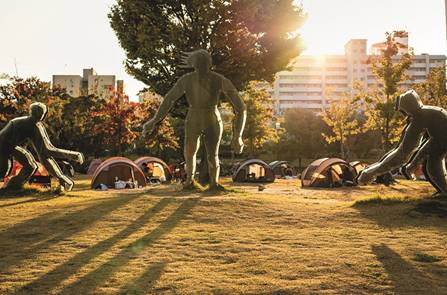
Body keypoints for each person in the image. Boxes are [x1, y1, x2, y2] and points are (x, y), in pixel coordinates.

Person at [143, 49, 246, 191]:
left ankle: (212, 183)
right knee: (192, 152)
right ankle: (191, 181)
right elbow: (169, 99)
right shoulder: (192, 79)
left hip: (209, 117)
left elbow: (241, 108)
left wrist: (238, 135)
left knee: (209, 154)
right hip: (199, 118)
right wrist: (154, 120)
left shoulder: (213, 79)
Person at [357, 90, 447, 196]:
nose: (405, 115)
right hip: (440, 139)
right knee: (429, 155)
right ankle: (442, 189)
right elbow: (423, 147)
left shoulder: (419, 118)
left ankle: (445, 192)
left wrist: (370, 173)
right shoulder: (429, 111)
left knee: (432, 167)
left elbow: (403, 153)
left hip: (441, 140)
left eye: (404, 111)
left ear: (408, 108)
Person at [0, 102, 84, 191]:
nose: (40, 117)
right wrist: (73, 156)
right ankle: (12, 187)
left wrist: (60, 176)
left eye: (42, 114)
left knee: (30, 166)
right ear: (31, 113)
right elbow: (47, 151)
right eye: (38, 114)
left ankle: (12, 187)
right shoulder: (23, 124)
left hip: (11, 146)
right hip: (4, 146)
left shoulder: (35, 125)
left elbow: (44, 153)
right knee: (4, 171)